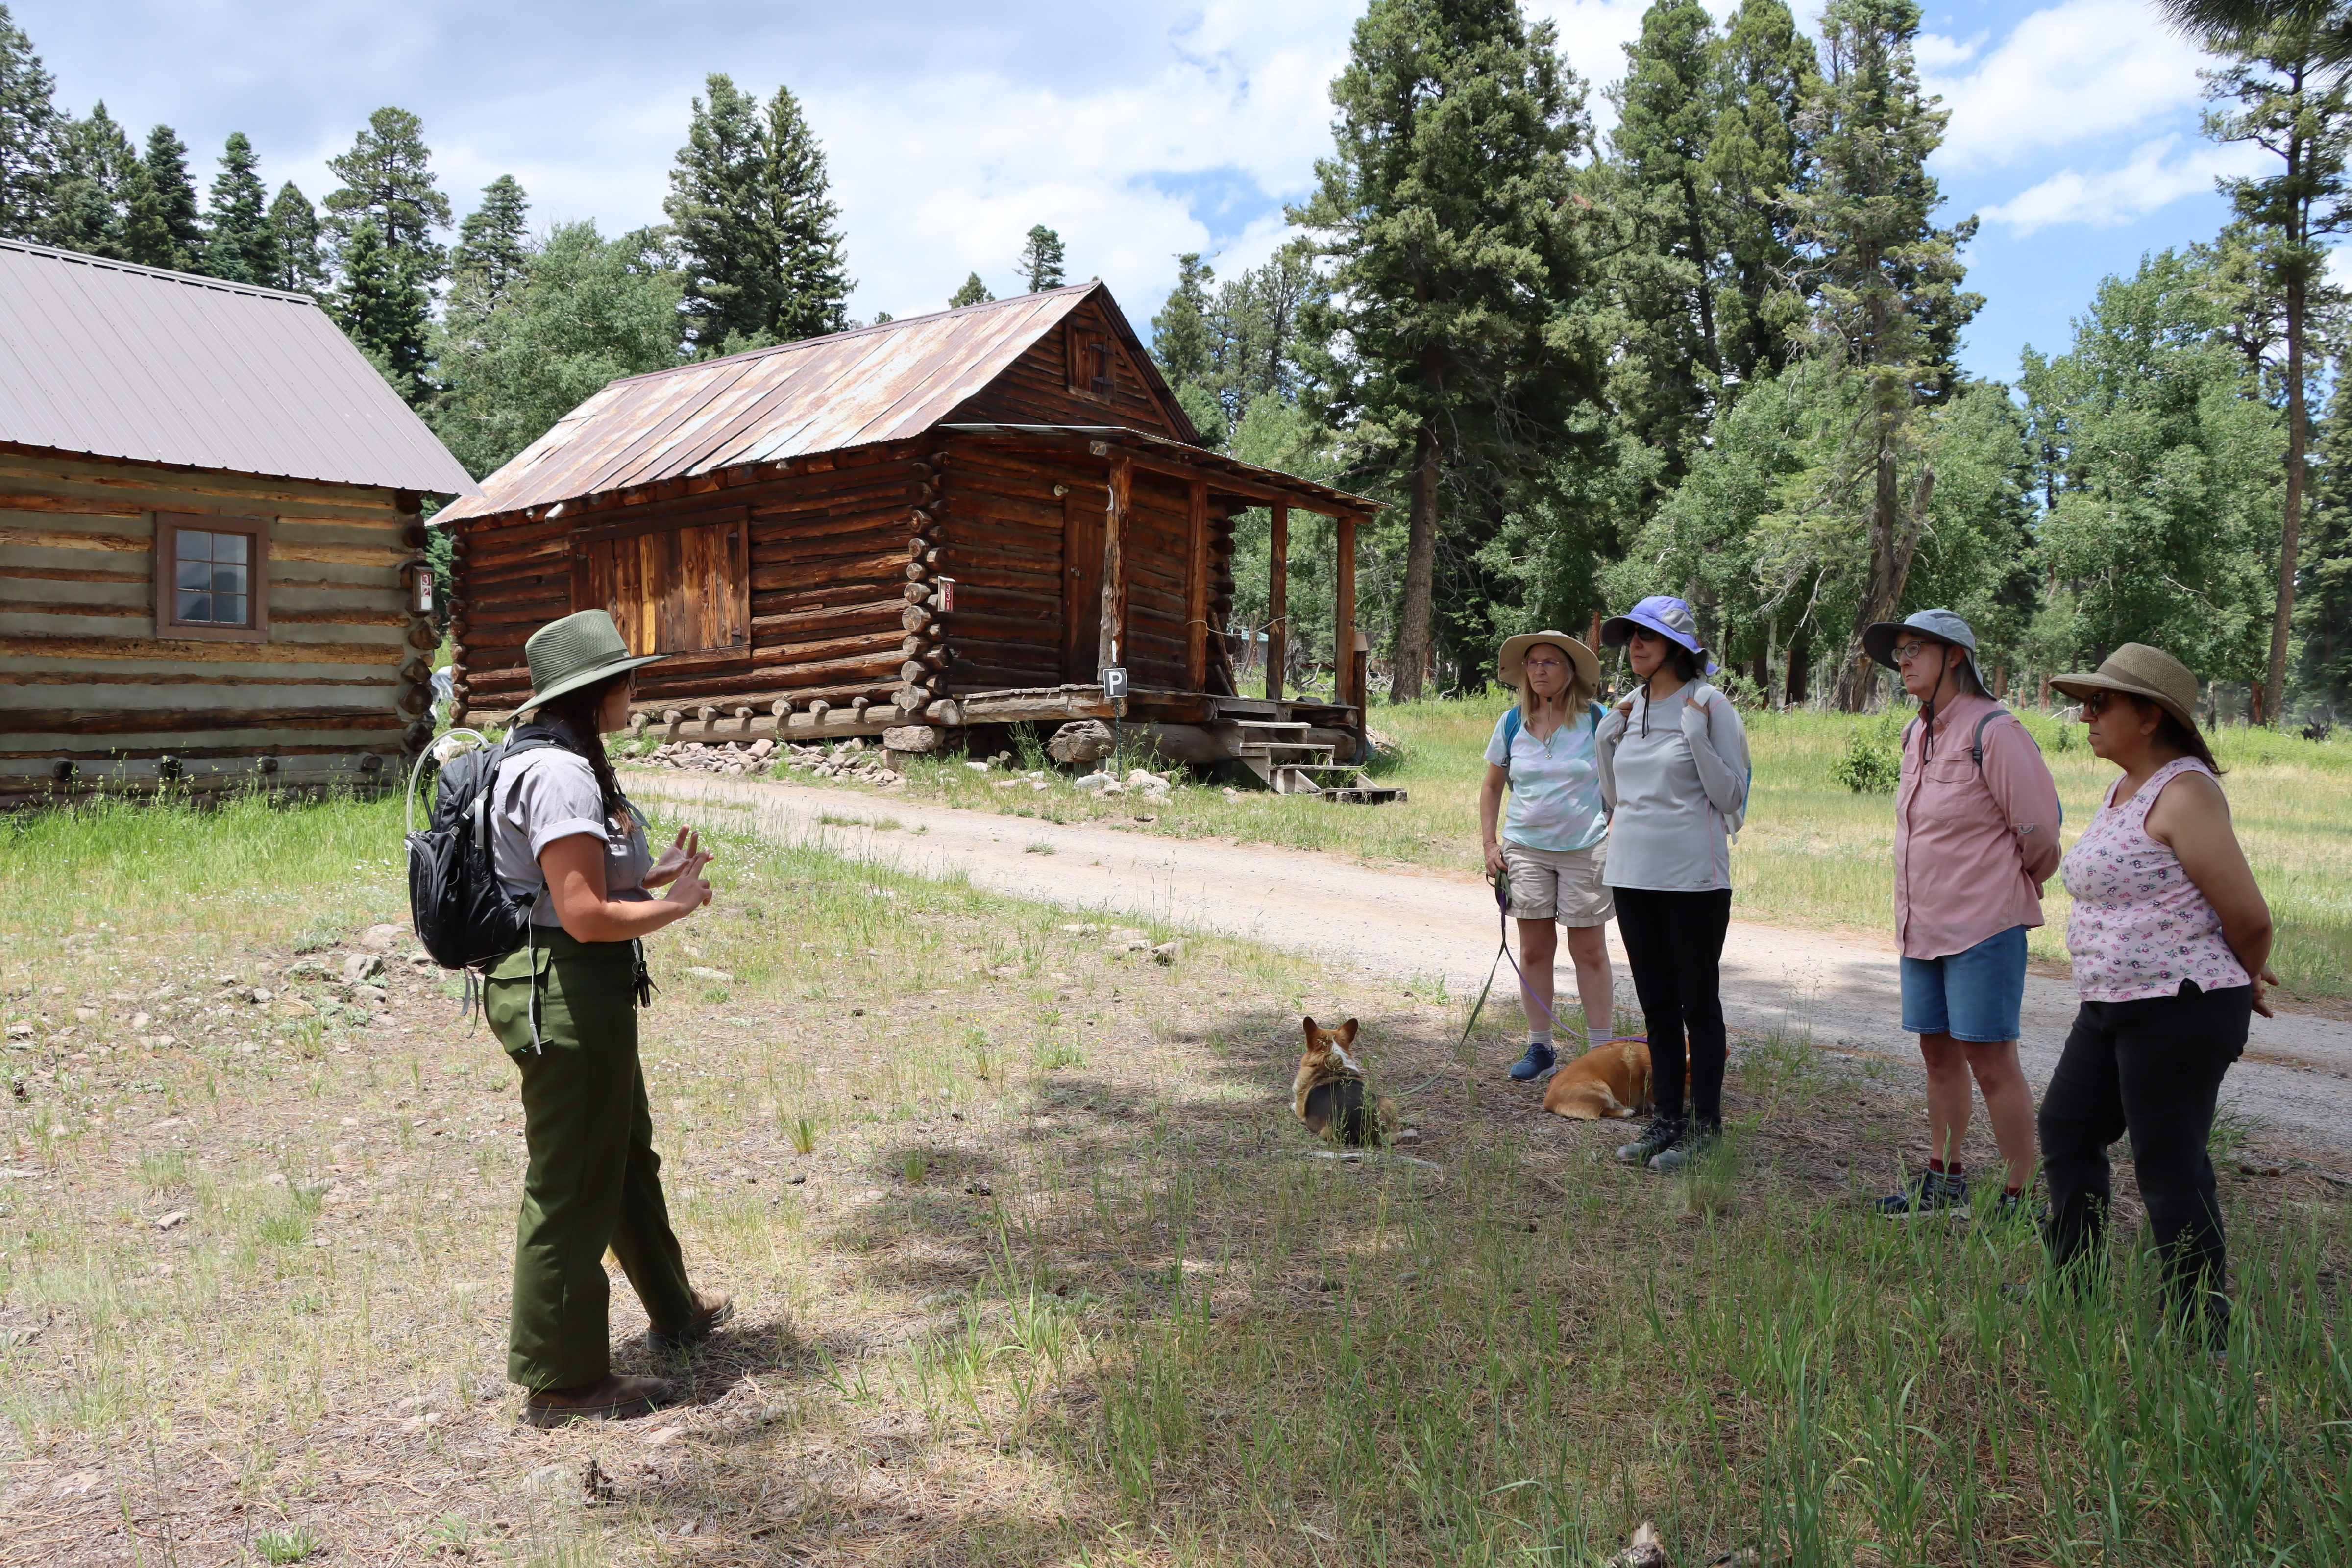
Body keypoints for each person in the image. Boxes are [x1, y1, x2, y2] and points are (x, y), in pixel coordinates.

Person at [483, 609, 733, 1427]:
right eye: (628, 676)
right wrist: (679, 907)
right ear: (595, 691)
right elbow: (583, 914)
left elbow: (572, 886)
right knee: (572, 1183)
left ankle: (675, 1308)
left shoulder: (554, 762)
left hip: (577, 984)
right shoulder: (561, 774)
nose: (637, 688)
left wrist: (650, 875)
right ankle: (562, 1377)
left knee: (621, 1155)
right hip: (567, 987)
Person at [2040, 643, 2276, 1344]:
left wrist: (2244, 974)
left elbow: (2250, 916)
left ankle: (2199, 1328)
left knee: (2169, 1165)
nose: (2086, 714)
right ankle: (2074, 1284)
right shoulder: (2125, 789)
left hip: (2180, 1005)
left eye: (2102, 702)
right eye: (2087, 701)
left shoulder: (2187, 791)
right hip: (2113, 1002)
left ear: (2150, 716)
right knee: (2068, 1130)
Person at [1861, 609, 2062, 1221]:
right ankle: (1943, 1182)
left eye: (1916, 648)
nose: (1904, 661)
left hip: (1984, 926)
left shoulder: (1996, 730)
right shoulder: (1915, 732)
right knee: (1938, 1055)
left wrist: (2006, 885)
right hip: (1921, 925)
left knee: (1992, 1060)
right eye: (1899, 651)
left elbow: (2041, 832)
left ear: (1955, 656)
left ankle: (2019, 1195)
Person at [1593, 596, 1750, 1172]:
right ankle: (1666, 1122)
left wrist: (1699, 740)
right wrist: (1603, 742)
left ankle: (1706, 1125)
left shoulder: (1710, 705)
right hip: (1632, 874)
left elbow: (1732, 796)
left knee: (1697, 1003)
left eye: (1648, 636)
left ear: (1679, 648)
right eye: (1631, 634)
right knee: (1657, 1004)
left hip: (1694, 880)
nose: (1635, 644)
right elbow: (1614, 798)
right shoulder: (1628, 708)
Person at [1478, 631, 1615, 1081]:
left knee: (1590, 952)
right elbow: (1493, 785)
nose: (1539, 670)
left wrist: (1615, 831)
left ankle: (1601, 1055)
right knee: (1535, 951)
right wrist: (1490, 845)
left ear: (1570, 670)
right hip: (1526, 850)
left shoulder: (1598, 719)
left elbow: (1625, 784)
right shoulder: (1513, 722)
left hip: (1587, 848)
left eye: (1550, 663)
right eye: (1533, 663)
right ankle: (1541, 1049)